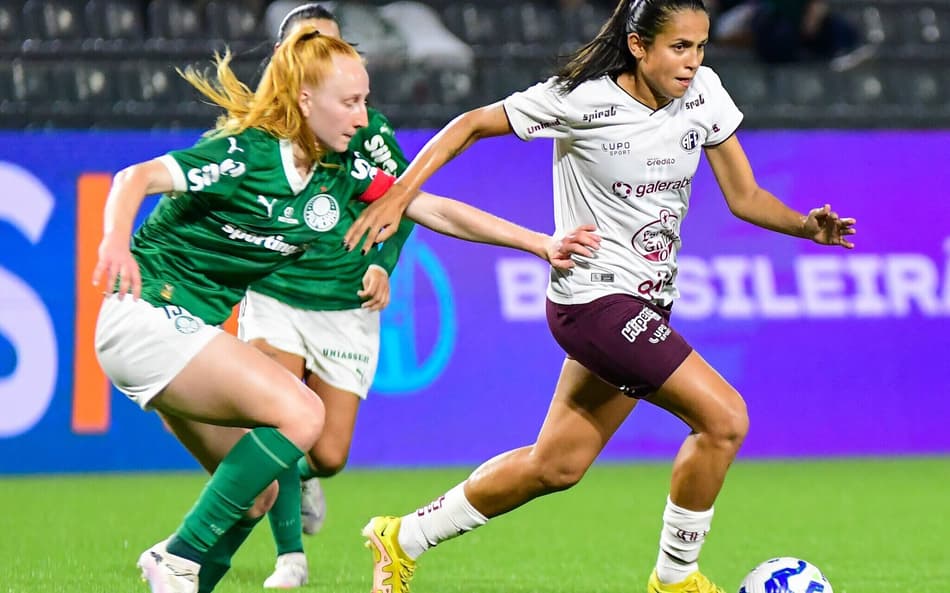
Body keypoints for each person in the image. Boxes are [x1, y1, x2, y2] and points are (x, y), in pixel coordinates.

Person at [343, 1, 857, 593]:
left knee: (556, 465)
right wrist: (399, 191)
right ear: (639, 46)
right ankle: (675, 580)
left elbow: (745, 196)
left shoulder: (705, 93)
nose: (693, 62)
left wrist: (803, 225)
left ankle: (402, 537)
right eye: (679, 47)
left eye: (701, 46)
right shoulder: (580, 98)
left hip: (648, 304)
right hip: (593, 302)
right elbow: (470, 124)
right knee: (724, 419)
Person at [93, 24, 596, 593]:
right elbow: (135, 177)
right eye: (350, 102)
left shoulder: (339, 171)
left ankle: (187, 577)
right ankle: (178, 554)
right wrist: (114, 241)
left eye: (365, 100)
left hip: (182, 333)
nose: (363, 117)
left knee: (260, 495)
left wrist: (540, 243)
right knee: (304, 415)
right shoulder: (248, 154)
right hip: (145, 316)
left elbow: (432, 208)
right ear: (305, 100)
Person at [239, 3, 414, 589]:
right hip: (277, 293)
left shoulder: (368, 129)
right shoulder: (257, 133)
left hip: (344, 303)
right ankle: (288, 558)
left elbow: (403, 204)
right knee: (281, 424)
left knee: (329, 453)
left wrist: (384, 265)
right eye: (310, 44)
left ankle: (283, 477)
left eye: (335, 45)